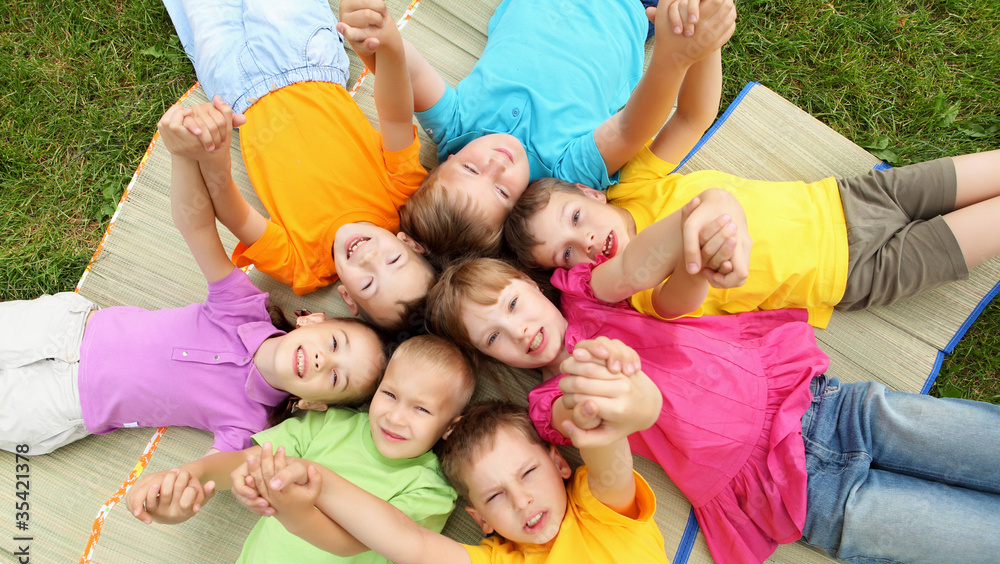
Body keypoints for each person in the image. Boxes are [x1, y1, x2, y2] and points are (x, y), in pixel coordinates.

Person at [424, 256, 1000, 564]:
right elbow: (588, 421)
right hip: (802, 494)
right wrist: (608, 390)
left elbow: (652, 262)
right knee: (977, 536)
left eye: (513, 304)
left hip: (830, 408)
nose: (517, 329)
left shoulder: (596, 295)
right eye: (493, 337)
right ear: (492, 359)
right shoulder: (552, 404)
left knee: (976, 441)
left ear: (533, 284)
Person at [0, 104, 385, 457]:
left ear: (313, 405)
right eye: (335, 343)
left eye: (336, 376)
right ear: (313, 319)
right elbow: (196, 226)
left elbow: (207, 474)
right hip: (66, 330)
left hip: (64, 402)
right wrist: (183, 154)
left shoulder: (248, 424)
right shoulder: (243, 310)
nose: (323, 359)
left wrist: (182, 493)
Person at [239, 384, 710, 564]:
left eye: (528, 474)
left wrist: (595, 407)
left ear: (560, 464)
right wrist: (320, 483)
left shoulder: (604, 513)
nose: (522, 499)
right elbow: (408, 544)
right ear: (480, 519)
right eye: (496, 496)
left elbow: (606, 445)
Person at [504, 63, 1000, 327]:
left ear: (593, 193)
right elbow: (683, 298)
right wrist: (702, 258)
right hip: (856, 273)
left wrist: (705, 43)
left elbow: (692, 116)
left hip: (852, 197)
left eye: (574, 218)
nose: (584, 242)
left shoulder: (635, 186)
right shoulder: (638, 294)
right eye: (566, 254)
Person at [127, 334, 475, 564]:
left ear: (449, 426)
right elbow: (242, 463)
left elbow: (353, 543)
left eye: (421, 410)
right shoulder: (328, 426)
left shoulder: (430, 489)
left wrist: (294, 512)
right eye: (390, 394)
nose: (395, 417)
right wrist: (190, 474)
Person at [337, 0, 736, 262]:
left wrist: (377, 39)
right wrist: (673, 58)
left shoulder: (455, 129)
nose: (496, 163)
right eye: (502, 190)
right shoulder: (561, 175)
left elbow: (407, 75)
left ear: (450, 160)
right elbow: (632, 127)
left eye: (471, 171)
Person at [161, 0, 435, 330]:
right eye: (393, 260)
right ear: (409, 243)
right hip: (304, 54)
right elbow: (395, 114)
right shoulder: (403, 193)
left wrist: (214, 159)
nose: (368, 259)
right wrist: (389, 47)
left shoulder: (302, 267)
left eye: (367, 284)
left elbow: (236, 216)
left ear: (348, 297)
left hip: (235, 88)